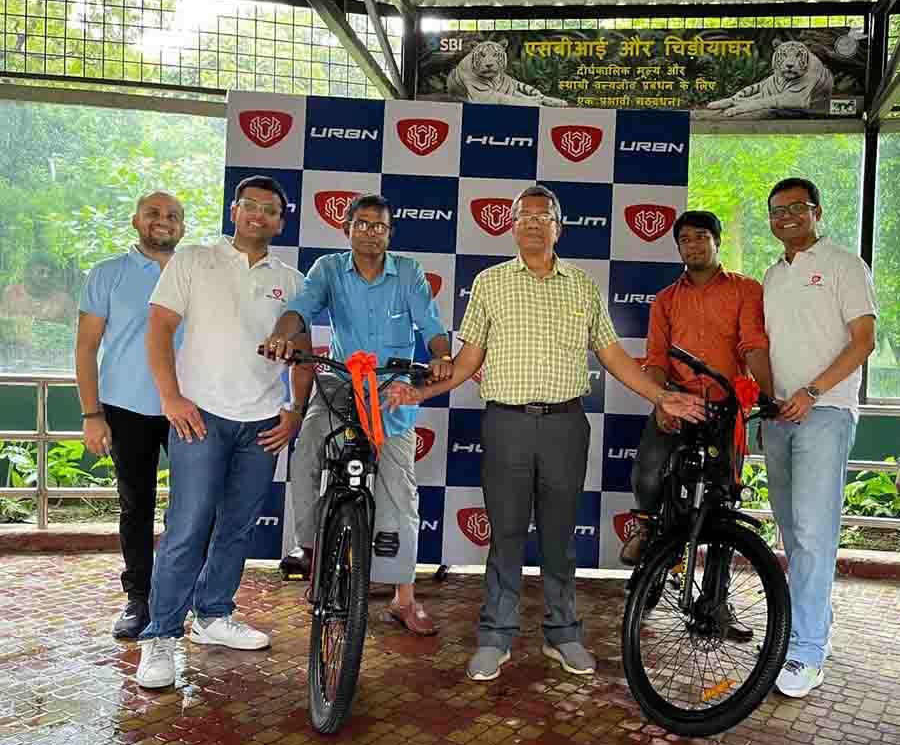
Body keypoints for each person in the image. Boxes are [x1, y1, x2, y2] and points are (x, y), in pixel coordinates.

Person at [387, 185, 705, 680]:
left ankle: (564, 633)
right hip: (507, 423)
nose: (533, 223)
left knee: (559, 536)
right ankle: (496, 636)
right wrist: (421, 393)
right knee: (506, 534)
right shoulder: (490, 283)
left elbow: (613, 356)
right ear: (511, 226)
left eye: (544, 216)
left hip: (565, 425)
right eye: (524, 216)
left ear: (560, 227)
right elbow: (468, 362)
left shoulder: (582, 286)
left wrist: (660, 396)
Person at [136, 175, 305, 689]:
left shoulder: (292, 280)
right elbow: (159, 328)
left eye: (270, 210)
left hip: (263, 423)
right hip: (200, 417)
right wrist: (170, 397)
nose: (259, 215)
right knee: (187, 527)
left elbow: (302, 352)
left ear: (281, 222)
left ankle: (213, 615)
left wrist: (295, 410)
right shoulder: (194, 260)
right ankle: (160, 635)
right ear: (234, 211)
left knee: (238, 526)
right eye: (250, 205)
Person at [262, 193, 452, 635]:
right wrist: (280, 335)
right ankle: (311, 550)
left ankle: (404, 598)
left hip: (390, 389)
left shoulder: (409, 272)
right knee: (307, 451)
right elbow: (301, 309)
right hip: (339, 382)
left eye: (379, 226)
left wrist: (441, 356)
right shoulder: (328, 268)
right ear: (346, 228)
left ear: (390, 233)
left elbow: (431, 326)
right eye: (362, 224)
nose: (370, 232)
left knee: (399, 488)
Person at [762, 177, 876, 698]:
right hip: (779, 417)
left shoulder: (845, 265)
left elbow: (864, 341)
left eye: (797, 207)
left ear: (817, 212)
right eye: (777, 210)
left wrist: (813, 391)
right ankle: (814, 625)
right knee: (792, 532)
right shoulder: (772, 275)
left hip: (825, 411)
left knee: (812, 533)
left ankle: (806, 651)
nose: (786, 216)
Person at [621, 210, 773, 569]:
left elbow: (753, 346)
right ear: (678, 248)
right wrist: (661, 401)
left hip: (726, 407)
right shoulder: (665, 299)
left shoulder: (746, 290)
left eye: (701, 237)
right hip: (678, 399)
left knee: (723, 500)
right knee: (648, 471)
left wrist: (767, 397)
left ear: (717, 241)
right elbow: (656, 359)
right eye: (685, 240)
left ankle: (717, 591)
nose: (693, 246)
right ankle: (645, 530)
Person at [75, 191, 186, 639]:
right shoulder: (108, 274)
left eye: (173, 215)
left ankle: (180, 598)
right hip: (126, 409)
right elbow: (86, 347)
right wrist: (92, 413)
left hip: (188, 407)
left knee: (191, 509)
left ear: (182, 226)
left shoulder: (195, 273)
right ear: (135, 221)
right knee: (136, 506)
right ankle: (139, 599)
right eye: (153, 213)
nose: (164, 221)